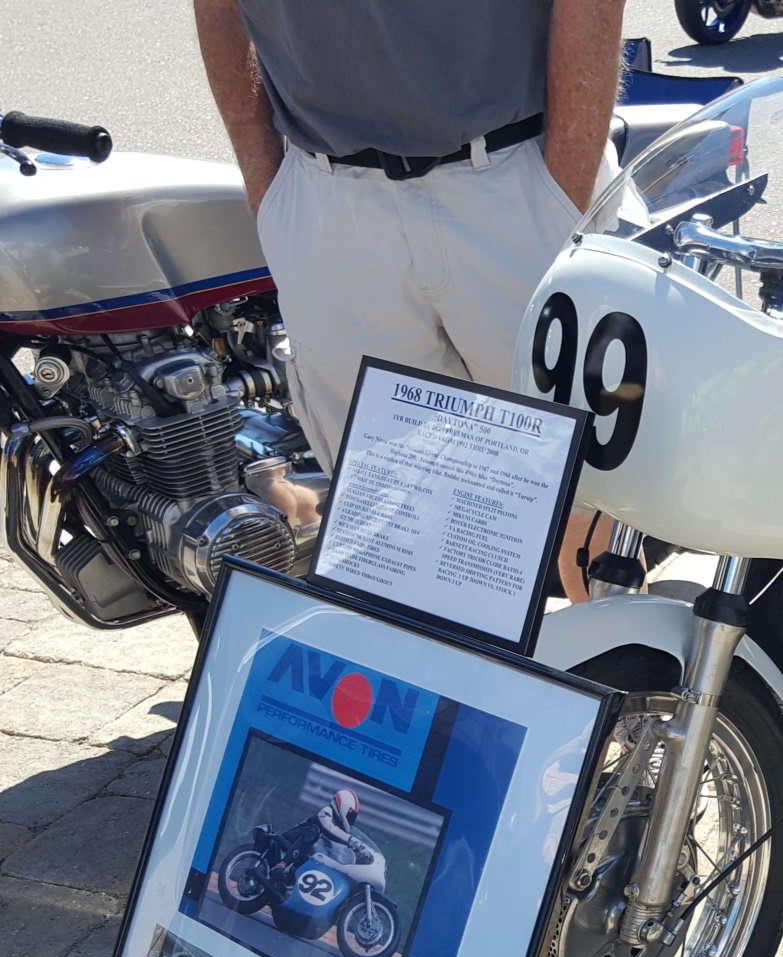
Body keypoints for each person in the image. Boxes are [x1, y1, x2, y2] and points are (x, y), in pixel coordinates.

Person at [193, 0, 625, 597]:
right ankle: (449, 658)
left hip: (513, 175)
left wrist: (563, 186)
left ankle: (608, 648)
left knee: (580, 486)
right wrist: (264, 181)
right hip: (329, 199)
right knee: (397, 509)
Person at [275, 788, 365, 874]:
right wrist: (352, 841)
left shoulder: (338, 829)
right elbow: (329, 828)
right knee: (314, 831)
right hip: (292, 839)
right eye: (350, 815)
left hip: (304, 852)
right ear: (343, 808)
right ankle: (282, 864)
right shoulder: (326, 811)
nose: (351, 819)